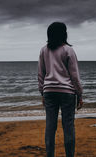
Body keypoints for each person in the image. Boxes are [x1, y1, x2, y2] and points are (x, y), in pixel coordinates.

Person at [38, 22, 83, 157]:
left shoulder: (44, 50)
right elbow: (74, 76)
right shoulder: (68, 50)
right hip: (67, 92)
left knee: (50, 127)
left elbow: (41, 74)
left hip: (49, 91)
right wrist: (80, 94)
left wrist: (42, 92)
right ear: (64, 34)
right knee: (68, 127)